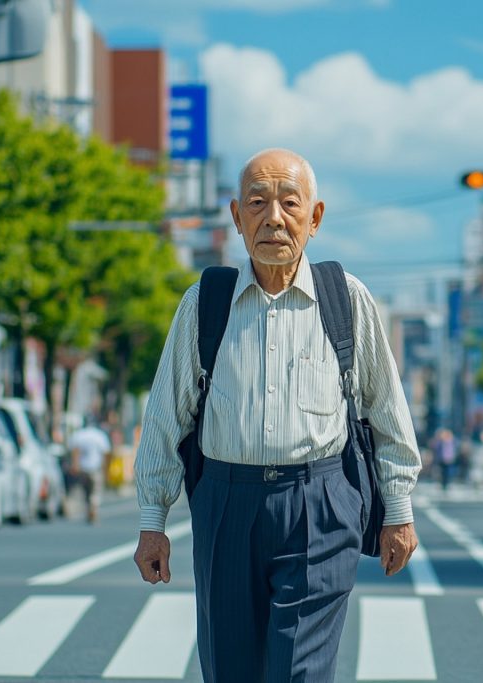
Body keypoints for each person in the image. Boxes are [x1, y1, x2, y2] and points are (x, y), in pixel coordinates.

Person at [132, 149, 422, 683]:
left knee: (300, 672)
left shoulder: (347, 299)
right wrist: (154, 523)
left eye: (290, 204)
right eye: (257, 203)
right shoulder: (205, 302)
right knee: (230, 669)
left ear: (314, 219)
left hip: (320, 503)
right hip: (224, 502)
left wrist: (398, 510)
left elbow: (386, 407)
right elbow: (165, 417)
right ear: (236, 218)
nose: (274, 218)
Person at [67, 415, 111, 524]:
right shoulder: (99, 435)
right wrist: (105, 469)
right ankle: (93, 509)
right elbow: (106, 453)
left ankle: (88, 510)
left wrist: (75, 466)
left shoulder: (78, 435)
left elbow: (75, 452)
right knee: (95, 491)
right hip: (96, 468)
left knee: (85, 491)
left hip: (82, 468)